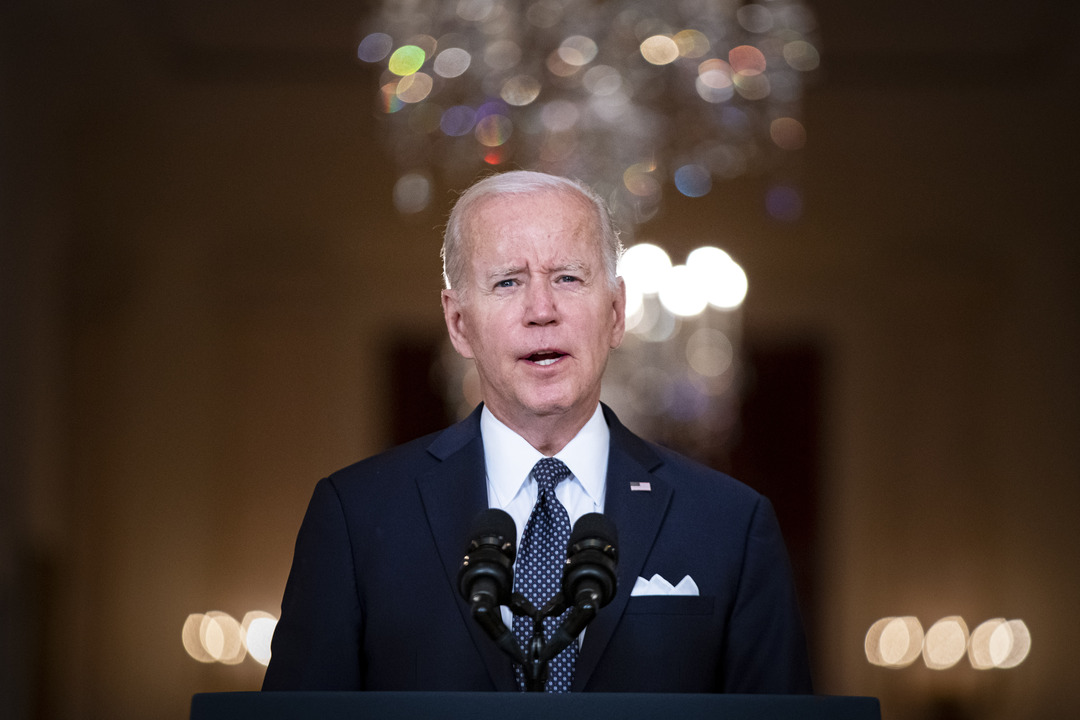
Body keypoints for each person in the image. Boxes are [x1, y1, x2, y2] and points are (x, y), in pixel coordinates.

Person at [261, 170, 812, 693]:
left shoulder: (731, 523)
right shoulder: (356, 516)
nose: (541, 310)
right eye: (507, 282)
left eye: (568, 278)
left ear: (616, 312)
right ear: (459, 323)